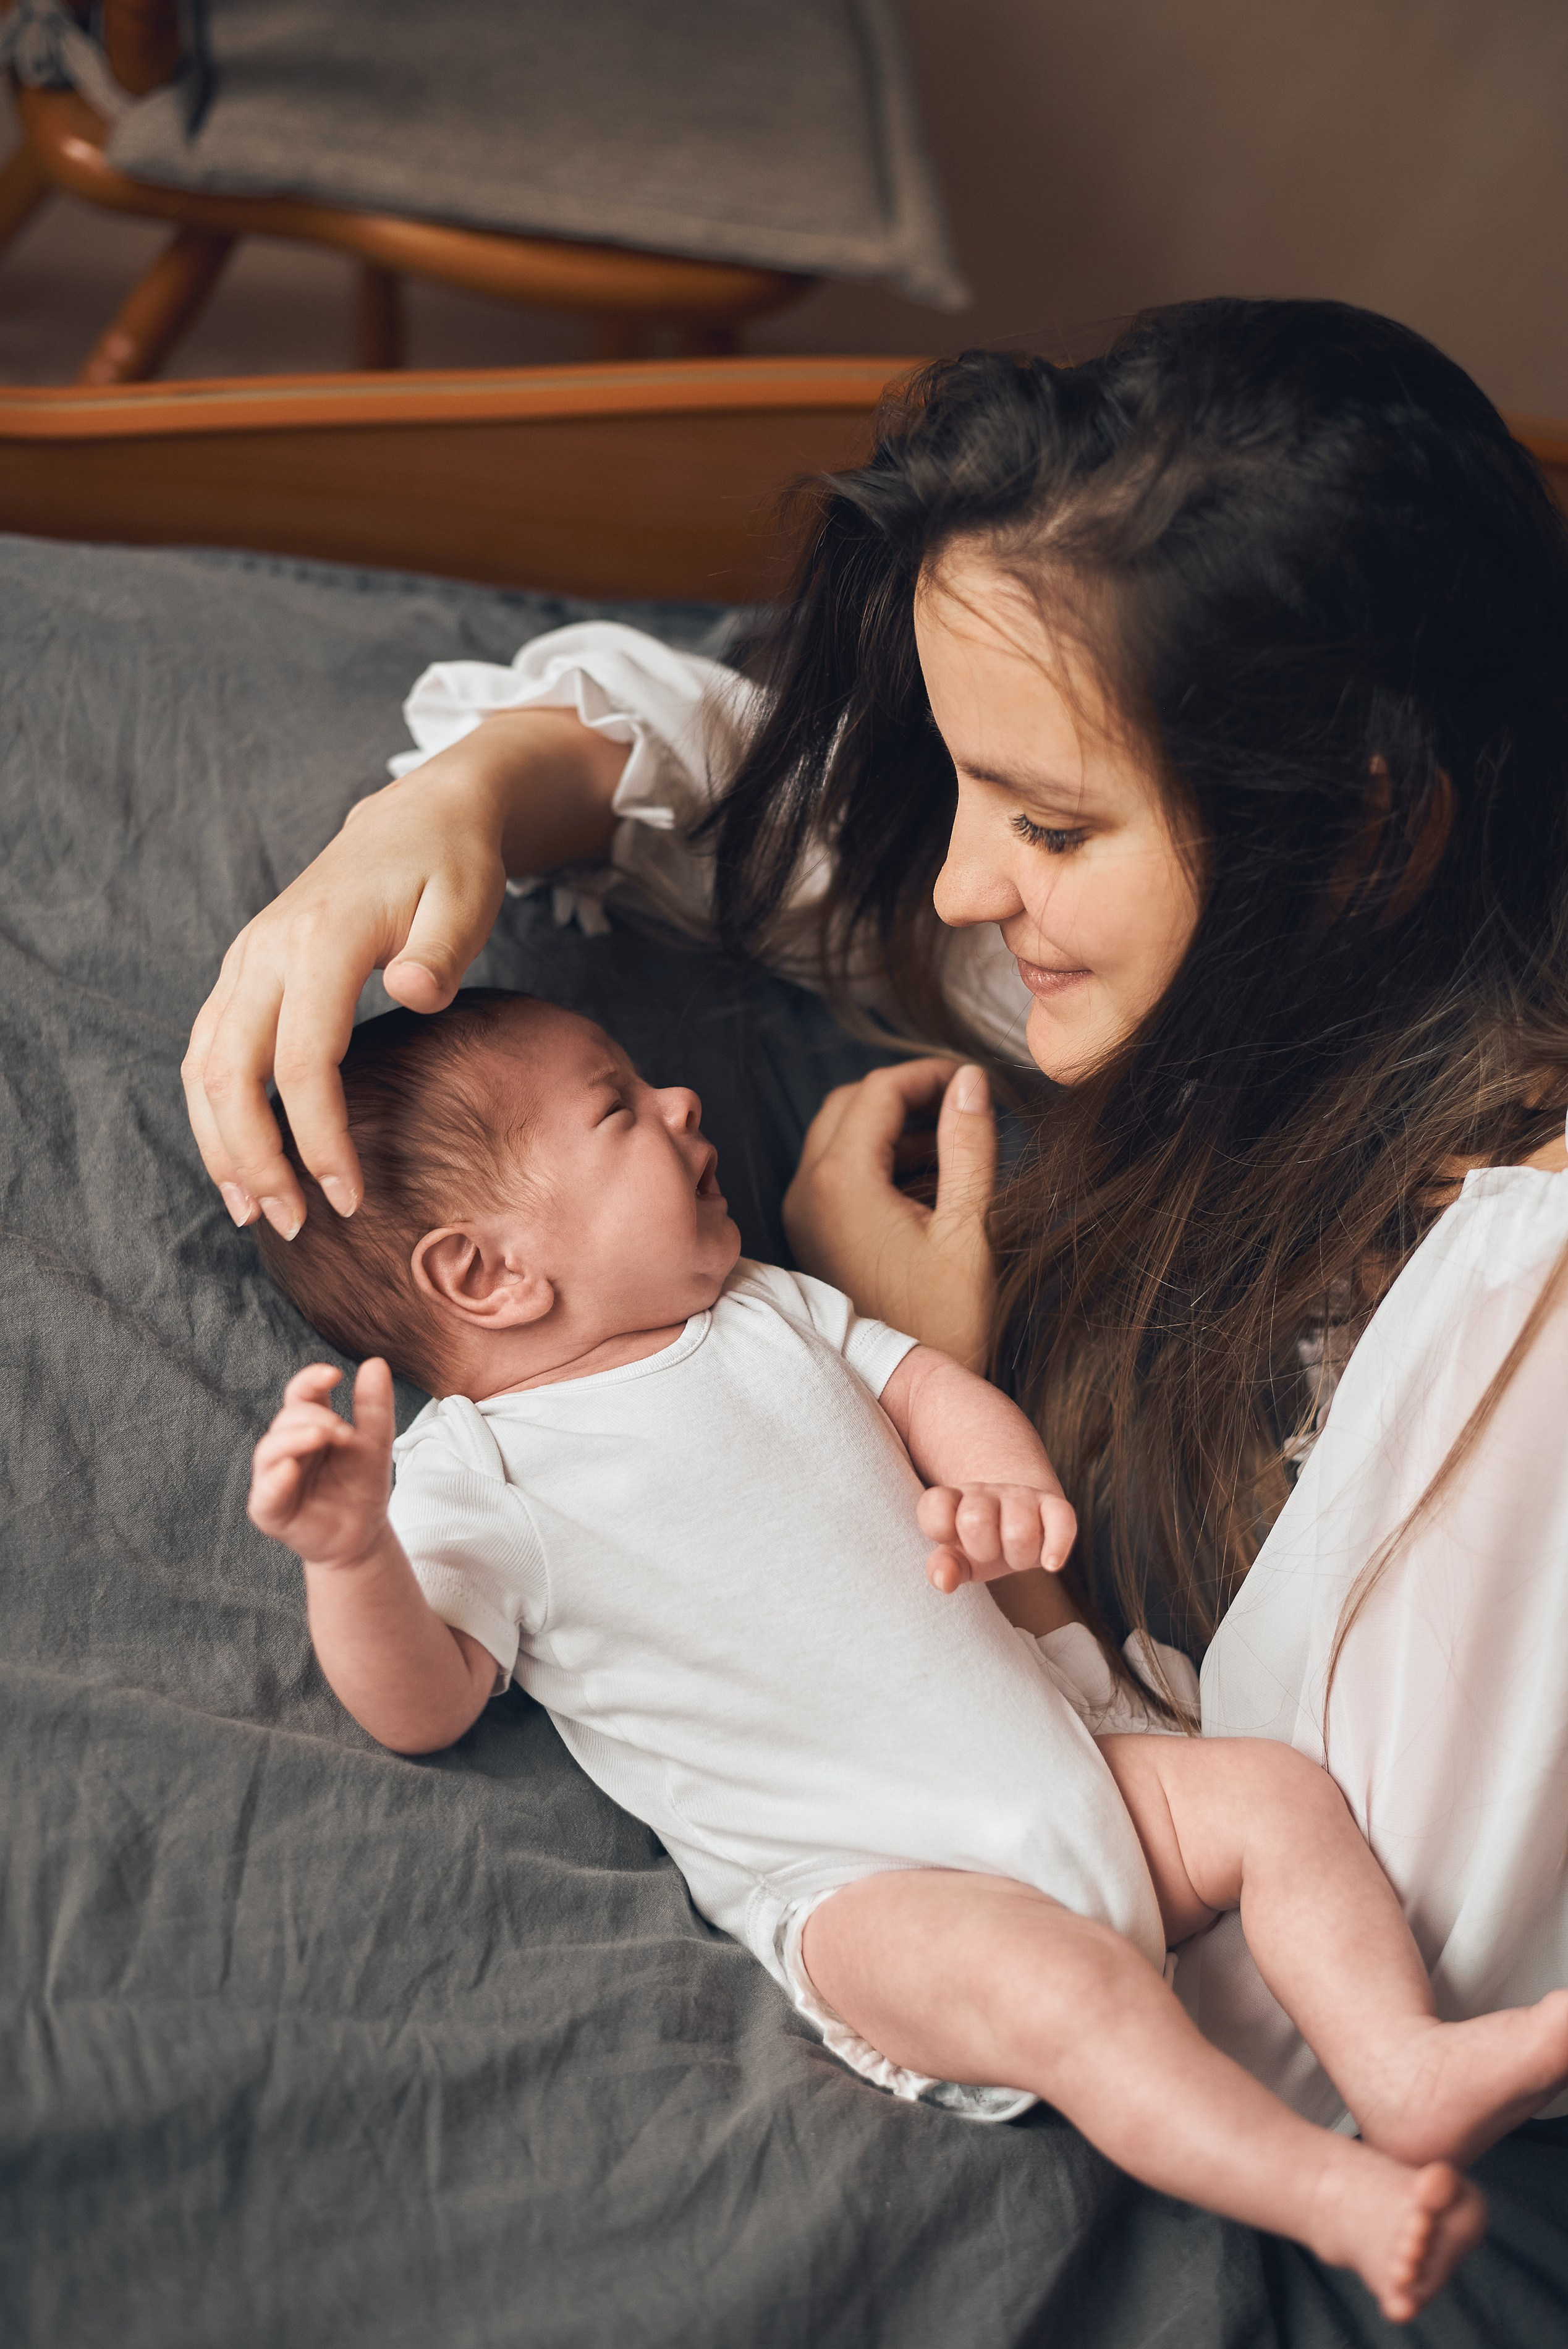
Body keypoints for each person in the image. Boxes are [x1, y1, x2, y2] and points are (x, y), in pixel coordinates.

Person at [184, 297, 1568, 2125]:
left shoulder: (1511, 1327)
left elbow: (1300, 2007)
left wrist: (923, 1386)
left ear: (1365, 831)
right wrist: (439, 816)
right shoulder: (1300, 930)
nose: (968, 877)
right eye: (966, 777)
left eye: (1053, 829)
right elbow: (742, 797)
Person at [245, 988, 1568, 2325]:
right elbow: (422, 1702)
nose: (682, 1102)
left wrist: (1002, 1487)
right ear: (490, 1274)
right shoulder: (481, 1472)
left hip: (1079, 1768)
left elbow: (930, 1387)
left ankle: (1400, 2063)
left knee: (1279, 1798)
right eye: (618, 1105)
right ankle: (1324, 2195)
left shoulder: (771, 1306)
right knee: (1072, 1997)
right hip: (872, 1884)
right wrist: (353, 1556)